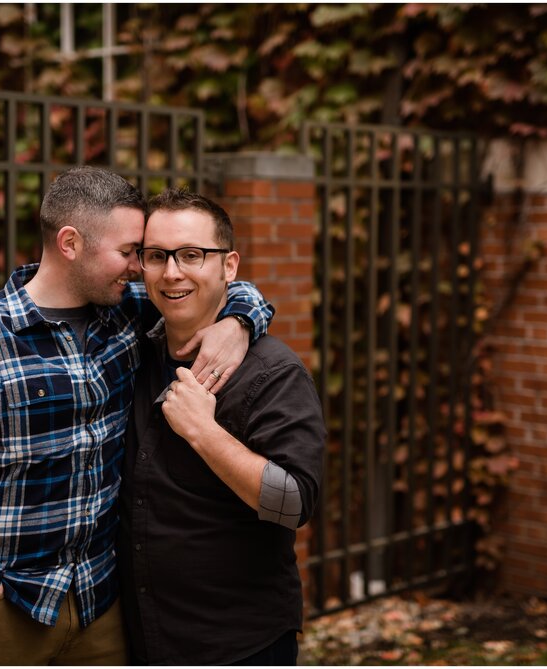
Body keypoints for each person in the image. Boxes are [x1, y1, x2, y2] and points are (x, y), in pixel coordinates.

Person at [0, 167, 275, 665]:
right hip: (3, 602)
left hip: (101, 600)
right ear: (70, 243)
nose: (141, 268)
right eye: (129, 253)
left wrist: (238, 322)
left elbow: (222, 285)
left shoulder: (124, 314)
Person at [117, 189, 325, 665]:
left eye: (192, 255)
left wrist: (203, 433)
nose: (172, 272)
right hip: (145, 636)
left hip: (237, 643)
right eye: (156, 256)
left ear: (229, 267)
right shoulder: (132, 346)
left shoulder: (274, 372)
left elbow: (294, 502)